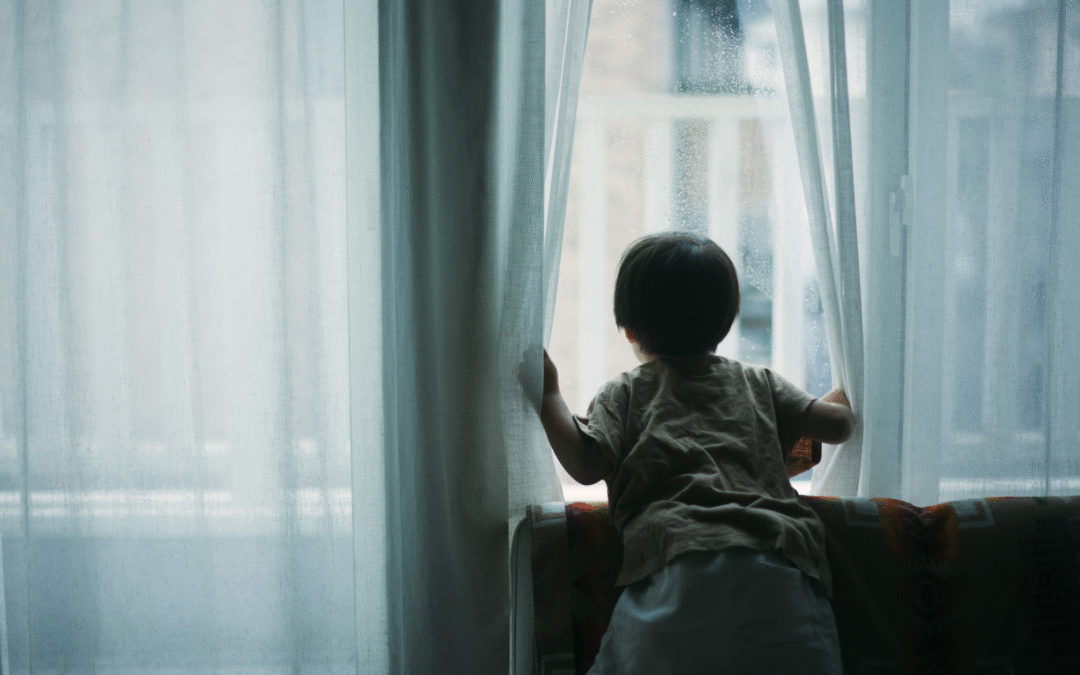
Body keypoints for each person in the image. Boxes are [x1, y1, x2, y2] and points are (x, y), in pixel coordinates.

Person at [538, 231, 854, 674]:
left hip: (677, 569)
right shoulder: (757, 381)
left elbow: (586, 465)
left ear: (628, 329)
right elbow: (838, 426)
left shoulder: (625, 392)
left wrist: (549, 394)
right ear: (725, 324)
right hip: (782, 566)